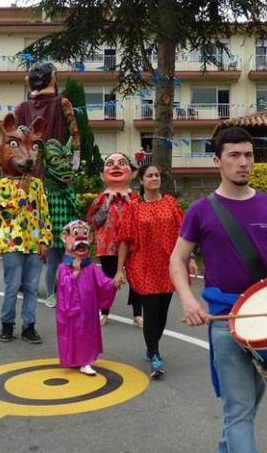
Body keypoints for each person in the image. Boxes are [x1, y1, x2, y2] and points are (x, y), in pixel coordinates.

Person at [170, 127, 267, 453]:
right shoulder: (201, 210)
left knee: (245, 407)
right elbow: (177, 259)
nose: (243, 162)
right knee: (240, 409)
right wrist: (188, 300)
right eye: (234, 156)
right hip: (225, 318)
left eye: (248, 155)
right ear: (217, 161)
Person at [114, 164, 197, 379]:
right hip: (143, 267)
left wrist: (191, 259)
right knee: (150, 313)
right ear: (141, 180)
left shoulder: (170, 203)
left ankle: (152, 346)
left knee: (162, 314)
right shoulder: (133, 208)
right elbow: (124, 239)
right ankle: (155, 353)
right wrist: (119, 270)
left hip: (170, 266)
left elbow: (184, 234)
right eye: (149, 175)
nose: (154, 178)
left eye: (157, 175)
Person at [0, 115, 52, 344]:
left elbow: (44, 214)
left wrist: (45, 240)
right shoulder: (2, 185)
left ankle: (29, 325)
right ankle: (7, 324)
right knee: (12, 287)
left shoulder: (37, 184)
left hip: (34, 243)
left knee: (32, 287)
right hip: (11, 243)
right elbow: (3, 214)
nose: (30, 155)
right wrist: (22, 191)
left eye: (33, 148)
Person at [56, 220, 117, 375]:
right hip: (73, 310)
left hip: (88, 309)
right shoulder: (64, 268)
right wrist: (75, 273)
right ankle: (78, 360)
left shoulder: (90, 267)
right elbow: (62, 289)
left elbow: (102, 282)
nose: (80, 241)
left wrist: (113, 283)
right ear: (66, 237)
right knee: (74, 332)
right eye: (76, 234)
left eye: (85, 235)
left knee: (86, 332)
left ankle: (85, 360)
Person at [86, 152, 139, 326]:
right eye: (110, 164)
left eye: (122, 163)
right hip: (107, 246)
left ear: (133, 173)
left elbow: (143, 220)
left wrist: (130, 203)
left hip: (133, 247)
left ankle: (138, 313)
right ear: (102, 175)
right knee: (108, 281)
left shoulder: (137, 199)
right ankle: (104, 312)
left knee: (136, 280)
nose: (116, 166)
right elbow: (93, 222)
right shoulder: (100, 199)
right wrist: (107, 204)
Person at [14, 61, 81, 172]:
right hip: (49, 163)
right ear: (53, 77)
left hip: (44, 165)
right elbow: (75, 132)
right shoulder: (62, 103)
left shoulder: (21, 108)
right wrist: (77, 154)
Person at [40, 137, 81, 309]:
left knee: (70, 266)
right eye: (57, 159)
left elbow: (76, 212)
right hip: (52, 235)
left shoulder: (68, 190)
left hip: (69, 236)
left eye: (66, 159)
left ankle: (68, 292)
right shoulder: (45, 192)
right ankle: (51, 293)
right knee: (52, 265)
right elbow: (41, 215)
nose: (64, 164)